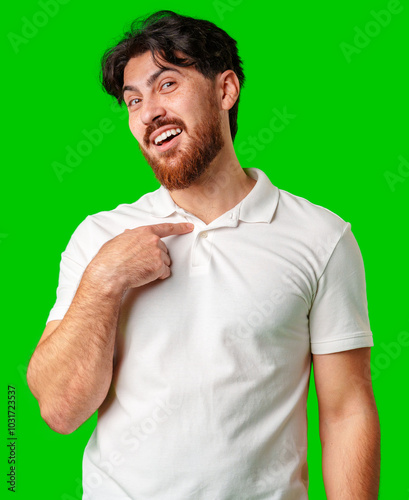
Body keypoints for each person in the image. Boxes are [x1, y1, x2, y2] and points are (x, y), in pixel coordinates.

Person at [27, 10, 380, 500]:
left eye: (166, 84)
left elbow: (347, 410)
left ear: (225, 90)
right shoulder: (100, 236)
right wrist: (105, 278)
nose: (148, 112)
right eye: (133, 100)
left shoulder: (320, 237)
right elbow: (60, 410)